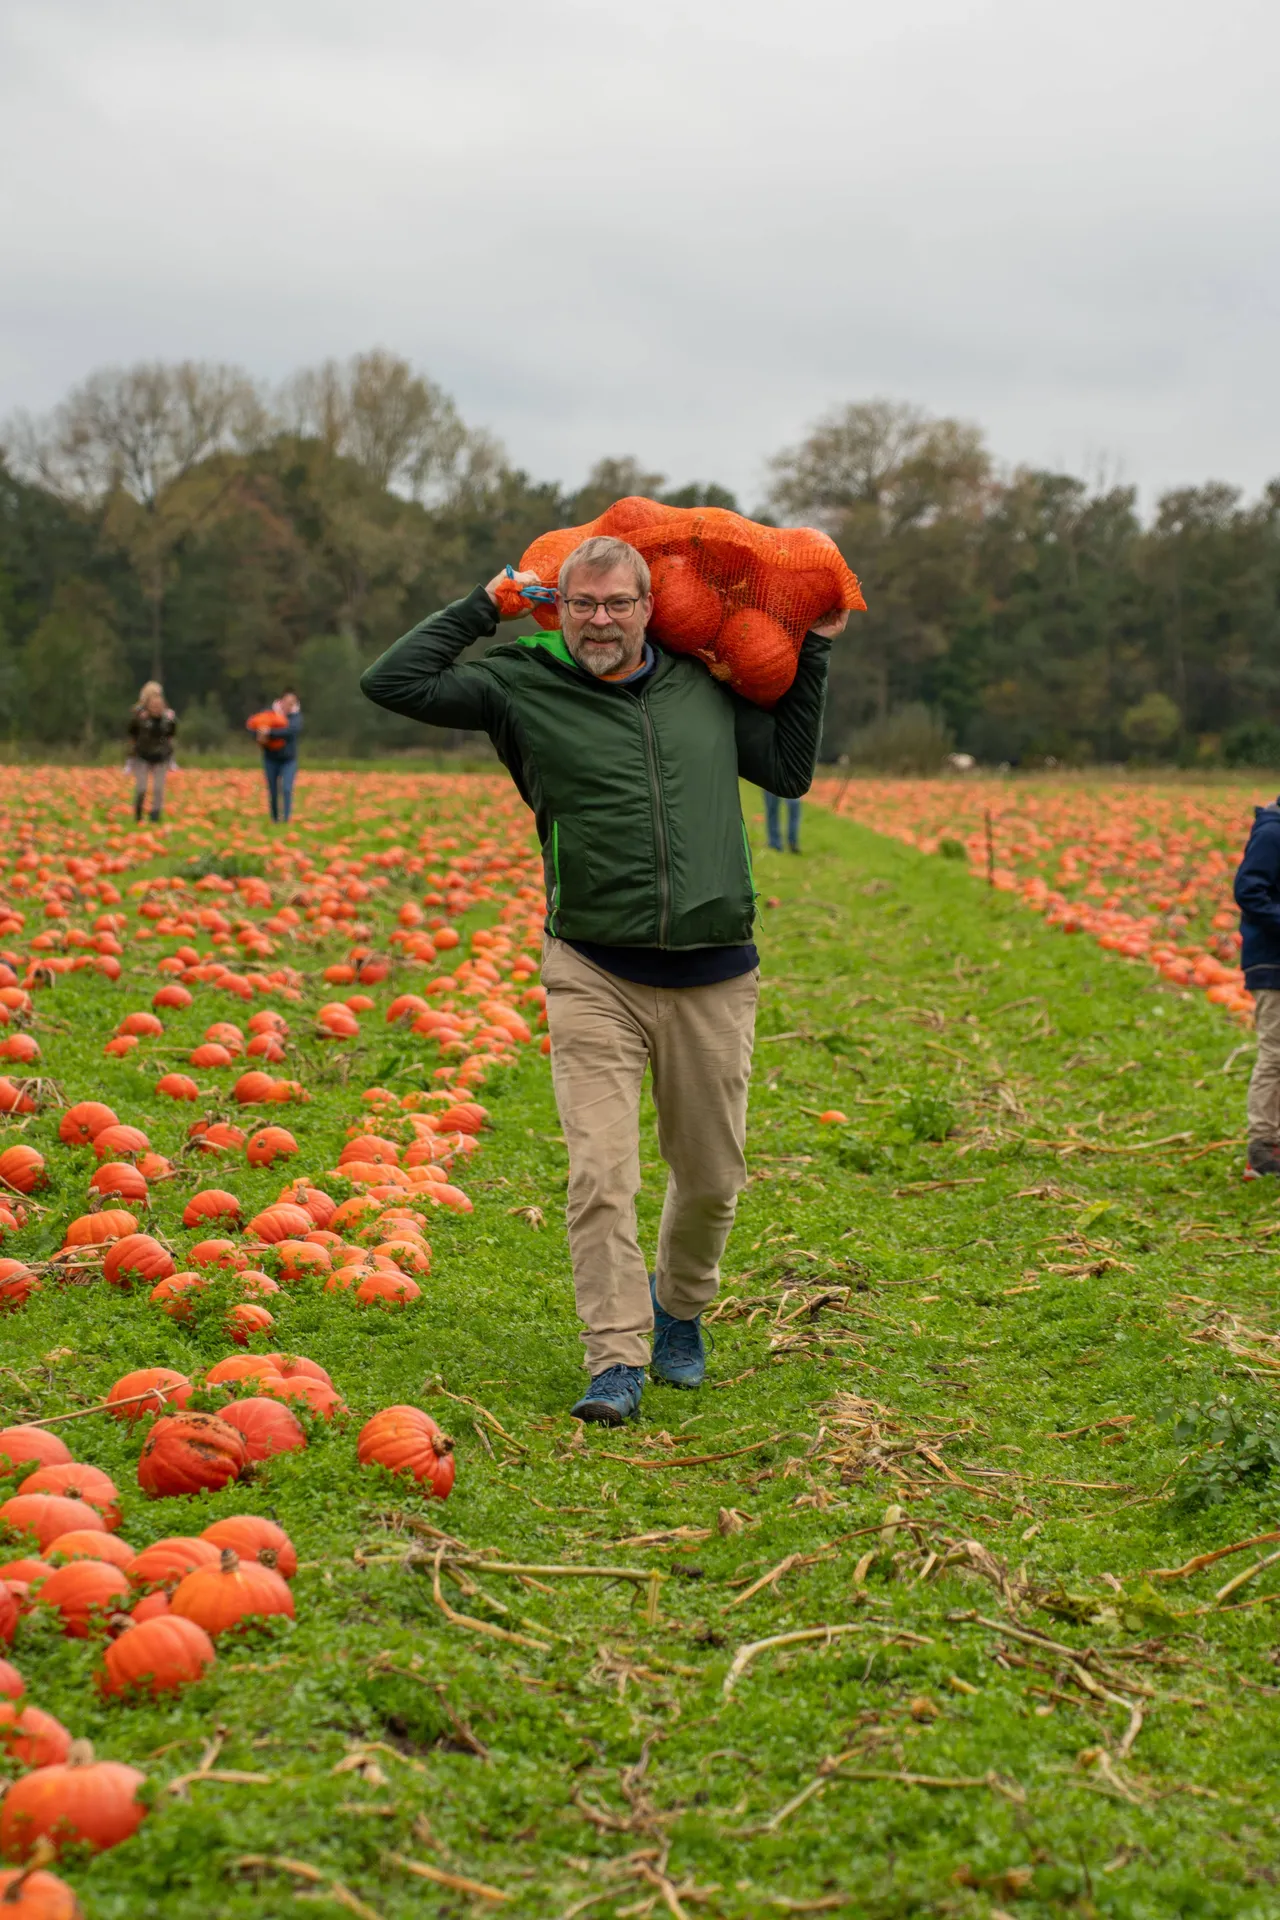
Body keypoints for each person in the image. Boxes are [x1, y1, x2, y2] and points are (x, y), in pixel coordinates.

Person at [361, 535, 846, 1424]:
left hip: (714, 973)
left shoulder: (703, 683)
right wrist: (486, 606)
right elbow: (392, 683)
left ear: (649, 608)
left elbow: (788, 769)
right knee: (600, 1176)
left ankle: (680, 1309)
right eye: (582, 604)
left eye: (618, 604)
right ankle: (614, 1360)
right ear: (560, 608)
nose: (600, 621)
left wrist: (809, 647)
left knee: (710, 1179)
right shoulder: (521, 685)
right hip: (594, 969)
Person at [1234, 797, 1280, 1175]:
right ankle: (1263, 1149)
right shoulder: (1272, 832)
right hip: (1272, 962)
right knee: (1276, 1053)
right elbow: (1249, 890)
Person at [127, 681, 176, 823]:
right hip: (142, 755)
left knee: (158, 788)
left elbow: (171, 734)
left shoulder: (168, 717)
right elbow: (132, 733)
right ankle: (138, 815)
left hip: (161, 756)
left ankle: (155, 817)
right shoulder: (139, 716)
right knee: (142, 787)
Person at [255, 691, 302, 822]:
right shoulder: (268, 713)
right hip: (270, 758)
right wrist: (259, 735)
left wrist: (269, 732)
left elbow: (291, 731)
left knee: (287, 788)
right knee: (273, 791)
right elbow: (254, 726)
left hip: (288, 760)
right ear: (281, 701)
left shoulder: (295, 716)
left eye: (292, 704)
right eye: (287, 703)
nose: (290, 706)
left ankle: (286, 819)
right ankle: (275, 819)